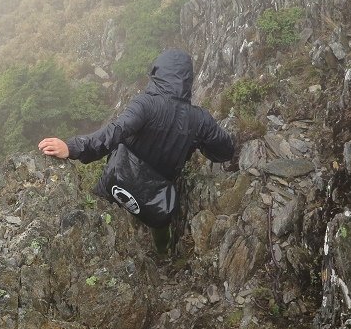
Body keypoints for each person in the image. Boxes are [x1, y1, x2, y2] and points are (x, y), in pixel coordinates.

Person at [38, 48, 234, 252]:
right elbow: (224, 151)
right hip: (156, 200)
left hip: (117, 182)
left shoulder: (146, 104)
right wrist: (196, 141)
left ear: (158, 72)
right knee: (160, 225)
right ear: (187, 80)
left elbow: (114, 132)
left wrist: (72, 147)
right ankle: (163, 253)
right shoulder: (200, 120)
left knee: (96, 213)